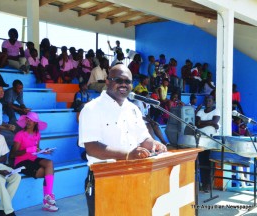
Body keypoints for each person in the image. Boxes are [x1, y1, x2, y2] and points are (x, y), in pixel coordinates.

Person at [78, 64, 167, 216]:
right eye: (118, 80)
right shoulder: (92, 108)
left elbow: (144, 138)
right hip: (103, 179)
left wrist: (155, 144)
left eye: (128, 81)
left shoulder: (133, 109)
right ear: (107, 81)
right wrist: (128, 154)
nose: (124, 84)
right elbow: (92, 147)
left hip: (135, 176)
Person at [10, 112, 59, 212]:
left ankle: (48, 196)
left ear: (35, 123)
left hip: (32, 159)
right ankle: (47, 202)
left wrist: (44, 151)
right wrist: (27, 150)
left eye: (31, 120)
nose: (28, 121)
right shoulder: (20, 134)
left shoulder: (37, 134)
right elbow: (13, 154)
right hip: (21, 162)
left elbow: (36, 149)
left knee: (49, 163)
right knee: (46, 172)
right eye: (27, 119)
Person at [195, 95, 220, 193]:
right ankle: (204, 184)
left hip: (211, 140)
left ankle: (209, 185)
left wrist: (203, 122)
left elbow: (215, 122)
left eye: (210, 100)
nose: (208, 102)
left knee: (210, 162)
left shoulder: (216, 111)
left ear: (213, 102)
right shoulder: (200, 112)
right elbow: (197, 124)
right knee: (202, 162)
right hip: (200, 140)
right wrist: (210, 123)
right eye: (206, 100)